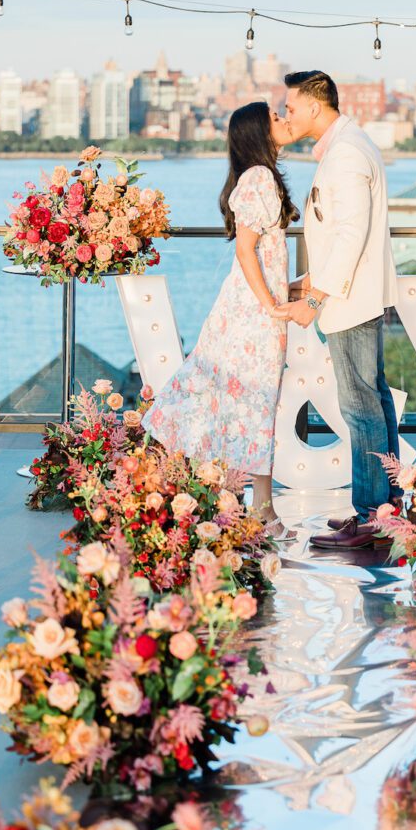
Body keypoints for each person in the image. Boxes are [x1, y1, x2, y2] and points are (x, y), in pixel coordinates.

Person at [142, 101, 299, 540]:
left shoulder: (256, 178)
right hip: (252, 315)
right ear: (259, 134)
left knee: (236, 399)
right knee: (252, 401)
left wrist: (287, 291)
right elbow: (246, 251)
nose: (284, 121)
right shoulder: (259, 179)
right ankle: (261, 508)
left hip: (247, 309)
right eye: (275, 118)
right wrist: (271, 304)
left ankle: (248, 502)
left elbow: (261, 255)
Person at [280, 70, 402, 550]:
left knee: (359, 406)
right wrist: (307, 283)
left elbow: (351, 235)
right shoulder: (344, 146)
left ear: (314, 106)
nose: (287, 114)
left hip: (350, 299)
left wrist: (315, 298)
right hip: (350, 293)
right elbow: (340, 233)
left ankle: (372, 516)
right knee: (374, 399)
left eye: (290, 107)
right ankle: (389, 507)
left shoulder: (347, 153)